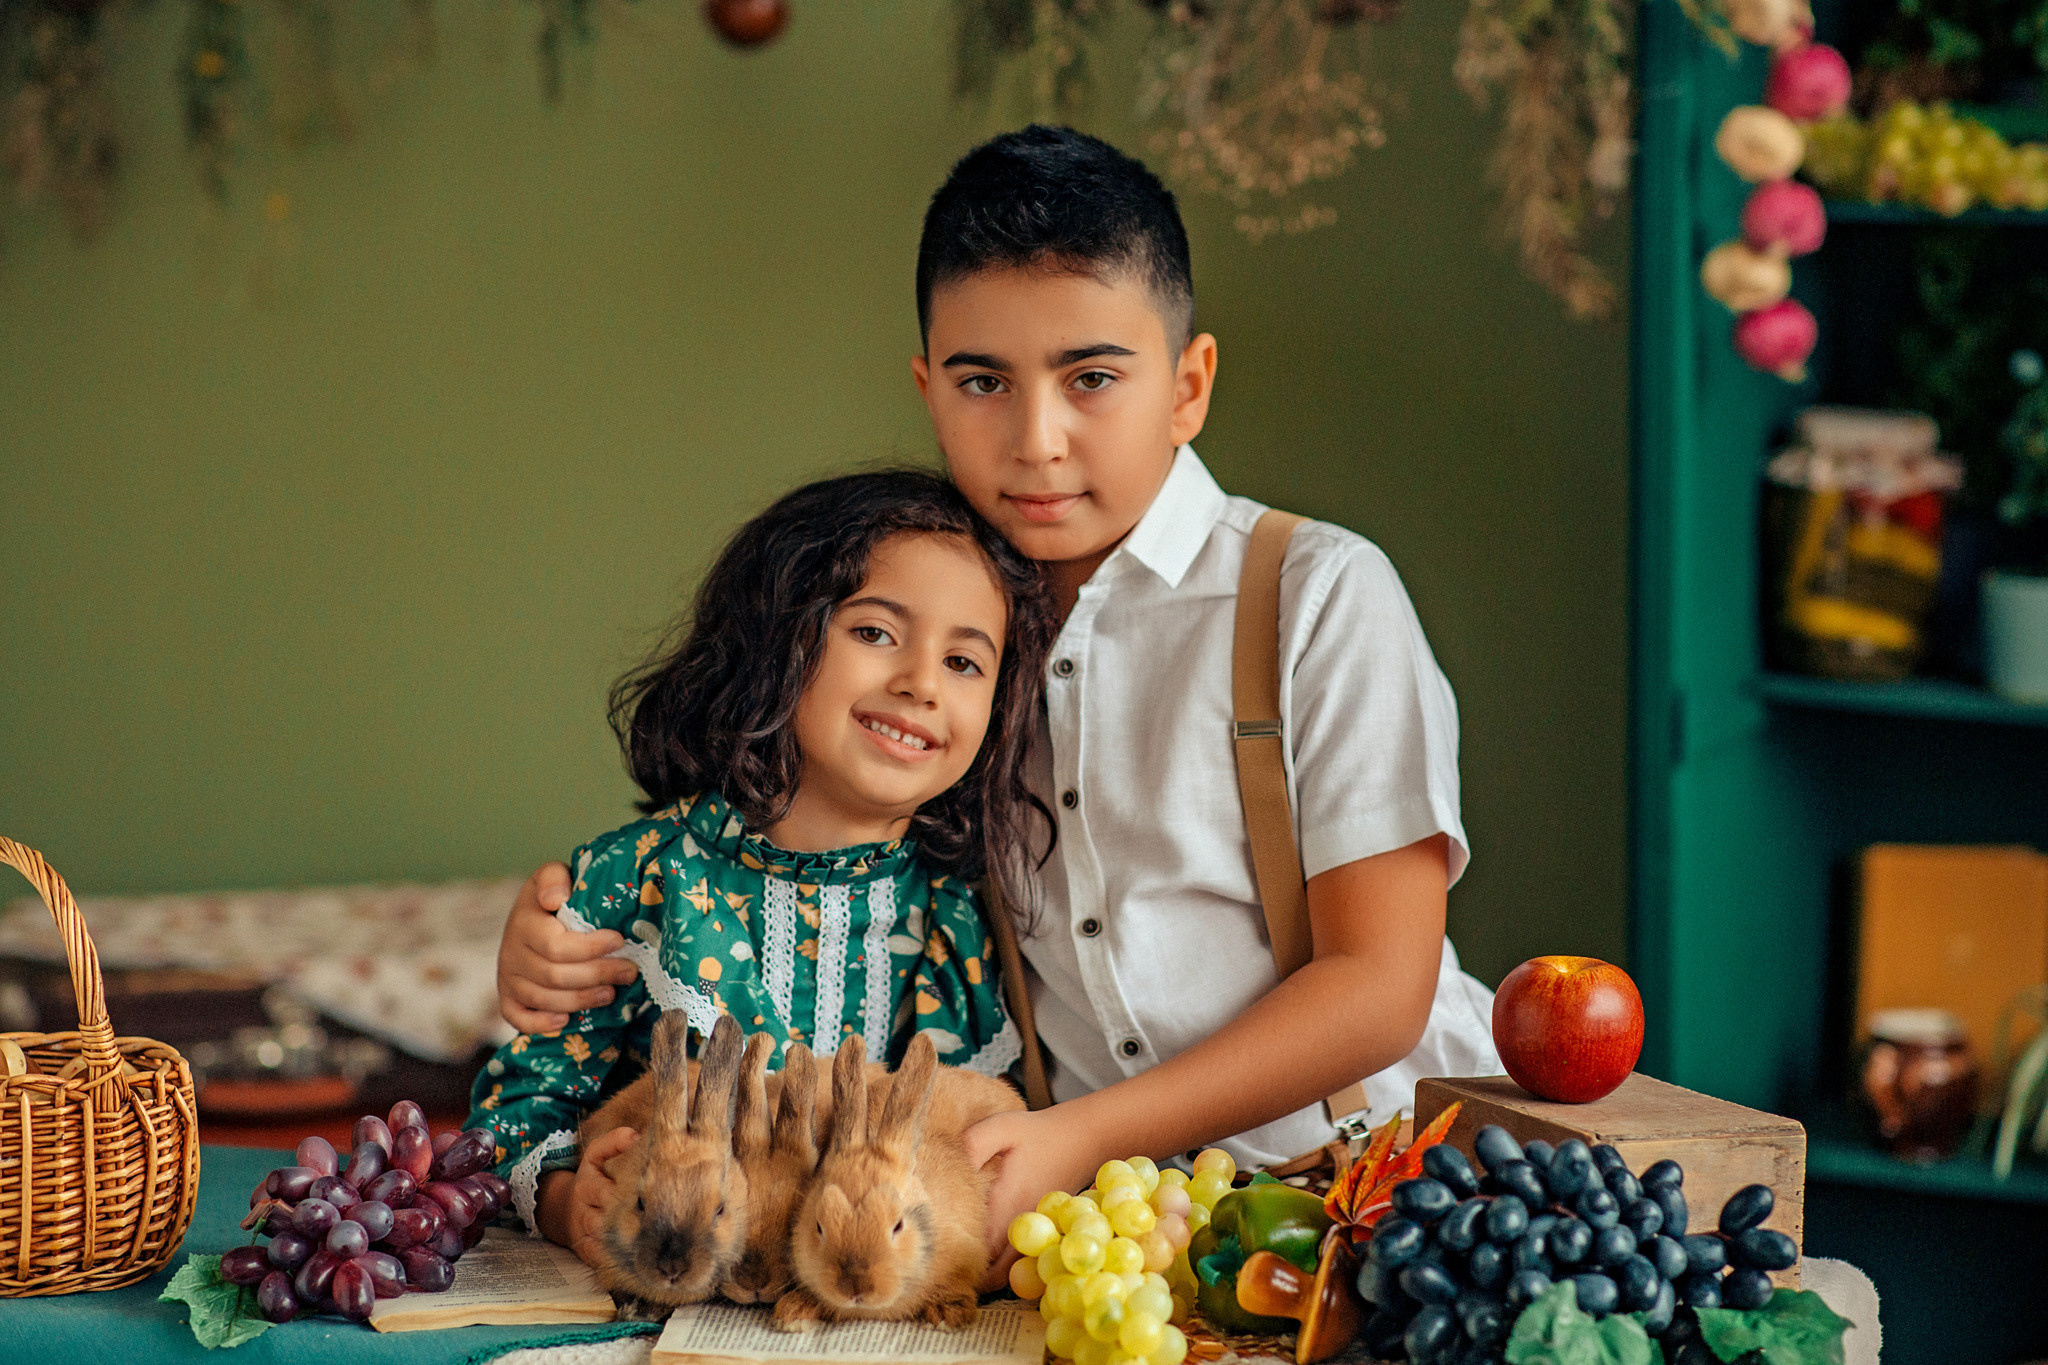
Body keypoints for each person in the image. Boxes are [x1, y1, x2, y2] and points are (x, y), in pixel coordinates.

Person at [495, 126, 1500, 1276]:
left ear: (1187, 385)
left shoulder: (1316, 593)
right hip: (1097, 1241)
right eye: (982, 382)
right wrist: (560, 944)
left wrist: (1082, 1136)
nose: (1036, 440)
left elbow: (1378, 986)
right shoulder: (926, 629)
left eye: (1092, 379)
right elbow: (771, 843)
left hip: (1378, 1191)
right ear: (927, 389)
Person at [466, 470, 1056, 1265]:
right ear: (774, 634)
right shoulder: (636, 880)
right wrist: (568, 1197)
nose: (920, 682)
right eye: (875, 632)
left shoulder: (951, 917)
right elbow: (518, 1107)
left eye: (963, 662)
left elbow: (976, 1134)